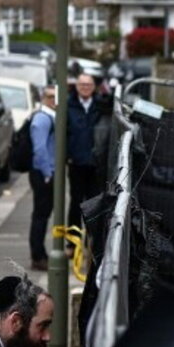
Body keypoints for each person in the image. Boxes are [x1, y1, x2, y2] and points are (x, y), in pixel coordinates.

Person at [67, 72, 103, 233]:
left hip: (96, 164)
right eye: (82, 85)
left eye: (88, 85)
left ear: (94, 87)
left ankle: (92, 241)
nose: (85, 88)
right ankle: (72, 242)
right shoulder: (68, 105)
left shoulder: (101, 106)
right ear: (76, 87)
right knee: (75, 203)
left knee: (94, 204)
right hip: (76, 163)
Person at [28, 85, 57, 272]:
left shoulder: (49, 117)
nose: (55, 100)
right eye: (51, 96)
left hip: (46, 172)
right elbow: (39, 150)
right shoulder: (42, 119)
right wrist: (47, 173)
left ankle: (39, 254)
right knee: (40, 216)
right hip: (42, 173)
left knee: (43, 215)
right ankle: (38, 256)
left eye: (57, 96)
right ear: (43, 98)